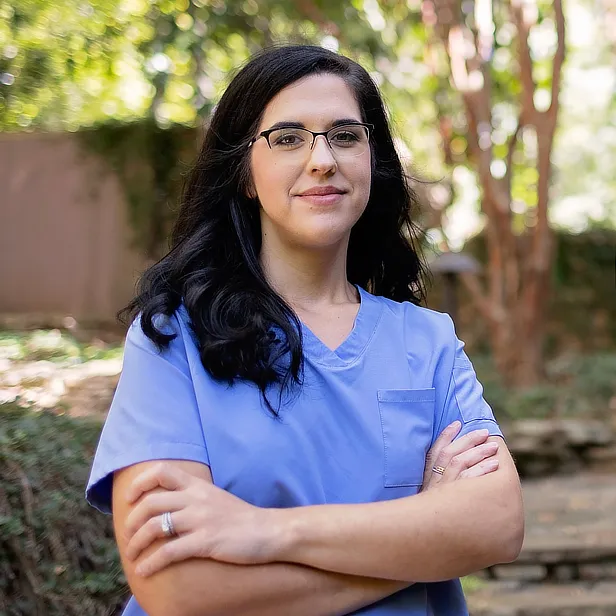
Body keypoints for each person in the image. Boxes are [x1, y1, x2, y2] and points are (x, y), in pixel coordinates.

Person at [86, 44, 524, 616]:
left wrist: (263, 533)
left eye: (345, 136)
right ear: (244, 173)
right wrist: (422, 540)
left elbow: (496, 526)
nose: (323, 159)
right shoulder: (173, 339)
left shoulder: (427, 341)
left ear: (373, 161)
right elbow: (177, 587)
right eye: (288, 138)